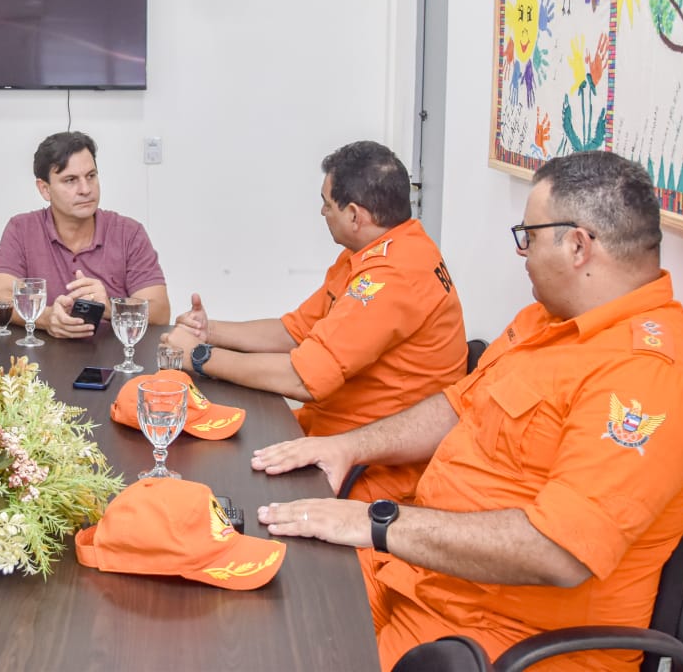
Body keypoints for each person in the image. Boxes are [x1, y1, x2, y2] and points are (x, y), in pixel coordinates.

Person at [250, 151, 683, 672]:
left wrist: (379, 522)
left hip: (493, 642)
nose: (522, 253)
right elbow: (458, 406)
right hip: (417, 579)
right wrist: (347, 446)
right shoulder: (547, 321)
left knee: (278, 648)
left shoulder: (649, 380)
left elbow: (557, 551)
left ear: (577, 245)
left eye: (530, 235)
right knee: (258, 591)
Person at [160, 140, 466, 503]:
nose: (322, 212)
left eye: (327, 203)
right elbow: (294, 331)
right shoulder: (375, 252)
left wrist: (201, 356)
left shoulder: (392, 277)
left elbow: (303, 377)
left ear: (355, 214)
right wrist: (211, 331)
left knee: (207, 478)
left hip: (370, 469)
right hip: (327, 433)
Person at [0, 131, 170, 338]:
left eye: (91, 176)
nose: (85, 189)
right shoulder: (22, 228)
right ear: (44, 189)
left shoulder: (129, 232)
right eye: (70, 180)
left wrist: (109, 308)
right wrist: (47, 319)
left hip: (113, 360)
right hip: (41, 362)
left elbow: (161, 311)